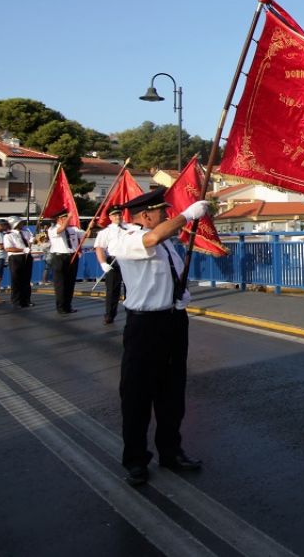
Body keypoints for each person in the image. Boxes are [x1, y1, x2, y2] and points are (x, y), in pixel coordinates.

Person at [109, 187, 212, 486]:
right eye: (163, 211)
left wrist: (180, 295)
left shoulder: (168, 245)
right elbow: (152, 238)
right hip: (145, 326)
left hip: (173, 321)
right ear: (145, 215)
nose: (167, 214)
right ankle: (136, 459)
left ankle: (171, 451)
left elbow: (167, 271)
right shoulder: (126, 239)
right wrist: (188, 215)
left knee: (172, 393)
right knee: (137, 395)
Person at [94, 206, 129, 326]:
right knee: (112, 291)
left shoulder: (130, 228)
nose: (118, 217)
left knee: (131, 289)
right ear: (110, 217)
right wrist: (103, 263)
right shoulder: (105, 232)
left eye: (119, 214)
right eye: (115, 215)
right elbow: (99, 248)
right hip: (114, 261)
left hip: (129, 260)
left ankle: (132, 313)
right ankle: (109, 315)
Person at [46, 209, 85, 314]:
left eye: (67, 217)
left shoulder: (73, 229)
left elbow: (85, 235)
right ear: (59, 219)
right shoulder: (52, 229)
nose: (67, 219)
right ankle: (61, 307)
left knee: (70, 283)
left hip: (72, 256)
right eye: (64, 217)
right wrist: (69, 217)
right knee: (60, 284)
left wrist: (91, 226)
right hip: (60, 257)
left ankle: (68, 306)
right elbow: (61, 229)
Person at [4, 216, 35, 308]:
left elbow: (29, 245)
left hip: (27, 256)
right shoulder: (8, 235)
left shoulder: (26, 232)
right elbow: (8, 248)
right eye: (20, 223)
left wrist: (32, 240)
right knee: (16, 280)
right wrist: (23, 249)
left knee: (26, 280)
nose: (22, 224)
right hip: (15, 258)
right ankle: (16, 301)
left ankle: (26, 300)